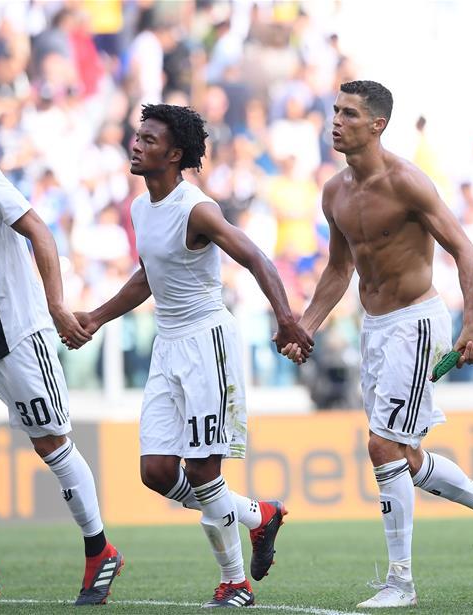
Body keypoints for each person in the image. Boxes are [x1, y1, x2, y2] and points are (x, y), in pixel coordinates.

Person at [279, 80, 473, 609]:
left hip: (416, 323)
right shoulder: (334, 192)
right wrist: (308, 325)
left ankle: (401, 583)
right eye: (335, 111)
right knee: (405, 456)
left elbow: (464, 250)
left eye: (349, 114)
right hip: (374, 327)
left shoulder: (408, 182)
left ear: (378, 125)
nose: (336, 121)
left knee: (382, 446)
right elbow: (339, 268)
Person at [70, 103, 314, 608]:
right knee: (157, 472)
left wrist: (286, 318)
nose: (137, 145)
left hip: (207, 343)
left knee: (204, 472)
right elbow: (149, 276)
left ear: (175, 154)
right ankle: (258, 515)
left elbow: (255, 256)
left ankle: (235, 583)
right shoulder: (141, 209)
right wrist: (96, 317)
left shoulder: (197, 208)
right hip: (167, 346)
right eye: (138, 136)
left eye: (149, 140)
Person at [0, 79, 122, 608]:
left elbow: (40, 231)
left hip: (19, 333)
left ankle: (100, 551)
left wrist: (56, 307)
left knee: (51, 444)